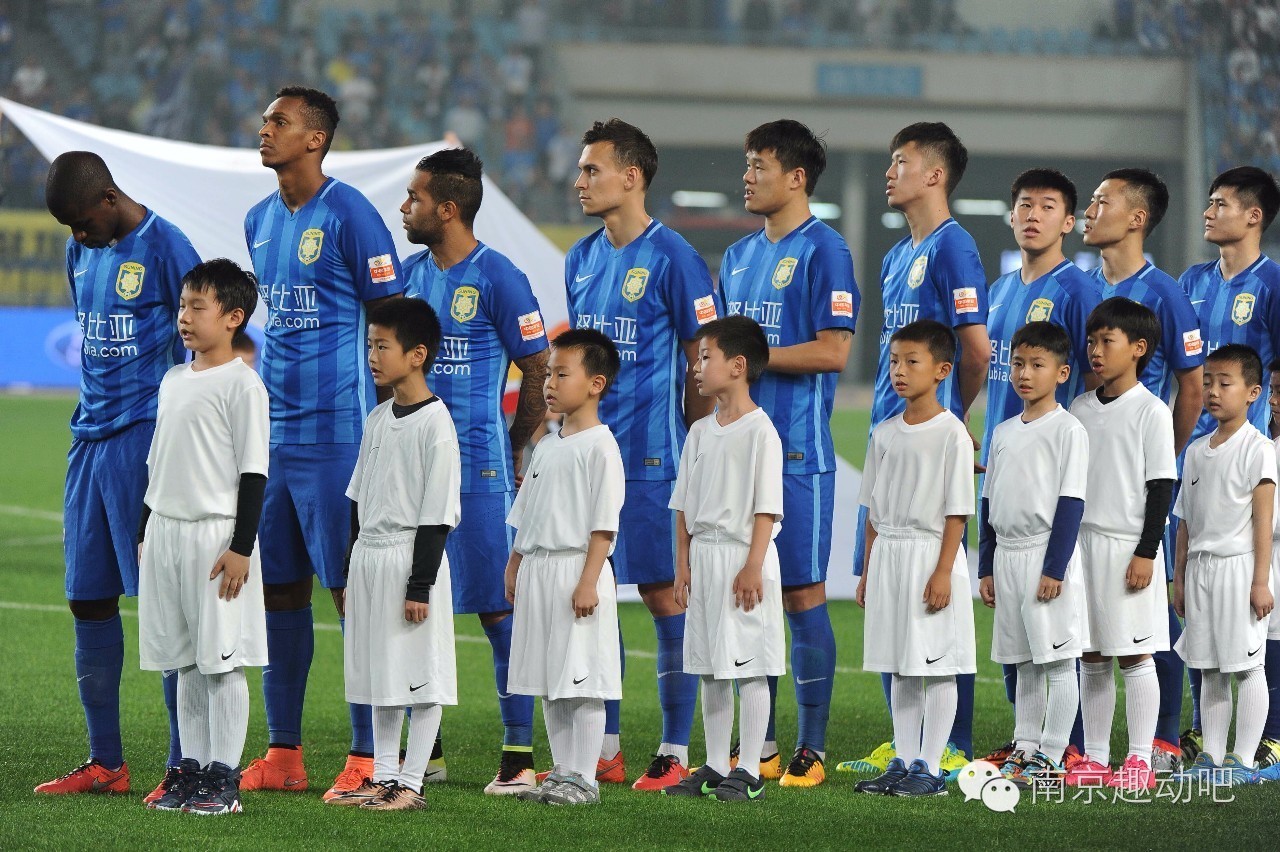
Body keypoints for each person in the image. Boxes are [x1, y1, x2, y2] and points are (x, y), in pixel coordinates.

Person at [241, 85, 405, 799]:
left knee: (353, 596)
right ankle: (285, 753)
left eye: (278, 121)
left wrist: (391, 426)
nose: (264, 129)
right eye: (266, 119)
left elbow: (393, 322)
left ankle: (370, 753)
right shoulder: (256, 220)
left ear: (315, 138)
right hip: (273, 442)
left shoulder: (352, 215)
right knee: (279, 593)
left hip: (338, 437)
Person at [36, 151, 200, 799]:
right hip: (88, 442)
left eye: (81, 223)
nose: (77, 238)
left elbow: (204, 347)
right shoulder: (82, 250)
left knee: (161, 604)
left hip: (145, 442)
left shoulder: (168, 246)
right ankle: (106, 763)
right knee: (88, 597)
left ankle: (183, 764)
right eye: (69, 229)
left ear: (108, 199)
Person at [565, 118, 719, 790]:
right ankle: (606, 747)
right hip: (589, 461)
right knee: (591, 596)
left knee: (663, 597)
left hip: (654, 460)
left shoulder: (675, 258)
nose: (579, 181)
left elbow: (704, 364)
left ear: (632, 176)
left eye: (592, 170)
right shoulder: (580, 258)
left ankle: (674, 749)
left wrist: (694, 449)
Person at [400, 147, 550, 795]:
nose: (405, 208)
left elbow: (539, 368)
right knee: (412, 608)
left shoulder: (499, 277)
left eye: (415, 199)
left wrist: (515, 447)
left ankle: (517, 755)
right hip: (413, 476)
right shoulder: (408, 276)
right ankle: (425, 751)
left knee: (498, 611)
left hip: (480, 473)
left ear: (449, 208)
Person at [845, 122, 988, 779]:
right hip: (887, 436)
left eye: (900, 161)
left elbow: (977, 349)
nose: (889, 171)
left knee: (935, 597)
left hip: (928, 444)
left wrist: (947, 419)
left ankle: (945, 747)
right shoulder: (897, 254)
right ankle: (904, 750)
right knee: (888, 593)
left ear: (935, 174)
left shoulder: (955, 247)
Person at [718, 120, 856, 787]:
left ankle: (814, 746)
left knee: (801, 594)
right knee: (745, 597)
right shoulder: (738, 256)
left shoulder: (826, 251)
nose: (747, 176)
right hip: (736, 456)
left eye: (759, 165)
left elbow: (835, 350)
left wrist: (755, 359)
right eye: (746, 164)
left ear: (797, 178)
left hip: (797, 455)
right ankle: (760, 743)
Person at [1082, 167, 1204, 772]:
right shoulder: (1083, 282)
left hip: (1141, 487)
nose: (1089, 210)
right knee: (1092, 637)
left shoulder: (1165, 291)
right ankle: (1087, 748)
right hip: (1091, 480)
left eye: (1102, 202)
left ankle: (1160, 738)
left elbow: (1192, 385)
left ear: (1136, 217)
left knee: (1146, 625)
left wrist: (1164, 455)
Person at [137, 259, 269, 815]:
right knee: (185, 660)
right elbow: (158, 464)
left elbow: (253, 472)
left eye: (199, 307)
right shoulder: (173, 380)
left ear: (233, 317)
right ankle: (191, 768)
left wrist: (241, 546)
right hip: (167, 533)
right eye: (183, 305)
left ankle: (225, 777)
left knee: (222, 660)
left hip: (216, 541)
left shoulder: (243, 385)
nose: (185, 317)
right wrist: (148, 529)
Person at [979, 168, 1098, 770]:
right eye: (1023, 204)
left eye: (1047, 206)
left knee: (1055, 642)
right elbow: (989, 367)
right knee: (1019, 644)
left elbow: (1092, 372)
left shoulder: (1078, 289)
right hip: (1006, 452)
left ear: (1068, 222)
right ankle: (1029, 743)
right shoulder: (999, 290)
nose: (1033, 215)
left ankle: (1065, 746)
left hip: (1051, 466)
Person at [326, 299, 459, 811]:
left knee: (421, 675)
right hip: (370, 559)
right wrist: (347, 570)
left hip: (409, 559)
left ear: (417, 354)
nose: (373, 357)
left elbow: (436, 513)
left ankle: (412, 784)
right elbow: (358, 498)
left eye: (383, 346)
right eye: (370, 346)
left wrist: (419, 584)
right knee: (381, 673)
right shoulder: (379, 418)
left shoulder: (435, 424)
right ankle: (383, 776)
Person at [1179, 166, 1280, 769]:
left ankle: (1262, 740)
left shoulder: (1272, 283)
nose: (1209, 212)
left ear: (1254, 216)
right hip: (1196, 457)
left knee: (1257, 610)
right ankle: (1205, 738)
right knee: (1203, 613)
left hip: (1251, 456)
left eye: (1221, 204)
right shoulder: (1192, 281)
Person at [663, 316, 785, 802]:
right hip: (705, 558)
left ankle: (750, 768)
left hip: (742, 560)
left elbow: (766, 507)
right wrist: (682, 563)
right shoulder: (699, 431)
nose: (696, 366)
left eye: (706, 357)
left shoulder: (761, 432)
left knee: (750, 664)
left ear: (738, 366)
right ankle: (715, 764)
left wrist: (754, 564)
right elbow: (683, 505)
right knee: (711, 665)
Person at [854, 319, 977, 797]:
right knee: (901, 664)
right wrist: (867, 571)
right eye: (893, 361)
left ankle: (930, 768)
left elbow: (957, 511)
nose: (899, 371)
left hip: (931, 556)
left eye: (912, 362)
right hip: (889, 555)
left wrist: (944, 570)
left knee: (937, 663)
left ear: (942, 370)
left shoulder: (952, 434)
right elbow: (871, 508)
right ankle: (903, 759)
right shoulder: (884, 434)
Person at [505, 329, 625, 806]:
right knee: (552, 679)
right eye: (547, 374)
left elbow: (603, 525)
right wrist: (515, 562)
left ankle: (585, 780)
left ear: (595, 383)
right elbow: (526, 512)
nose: (548, 383)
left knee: (584, 679)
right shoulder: (549, 444)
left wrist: (589, 581)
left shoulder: (600, 445)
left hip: (578, 570)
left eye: (561, 373)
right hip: (539, 569)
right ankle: (560, 772)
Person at [1065, 298, 1176, 792]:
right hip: (1082, 547)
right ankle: (1094, 756)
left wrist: (1146, 552)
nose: (1095, 350)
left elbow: (1161, 487)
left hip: (1128, 547)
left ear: (1138, 349)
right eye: (1092, 341)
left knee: (1134, 656)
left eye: (1106, 341)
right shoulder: (1079, 408)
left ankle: (1138, 760)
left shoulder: (1152, 411)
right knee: (1090, 654)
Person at [977, 322, 1090, 785]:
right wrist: (985, 565)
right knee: (1022, 660)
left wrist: (1055, 567)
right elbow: (987, 501)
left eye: (1037, 365)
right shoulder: (1003, 432)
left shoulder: (1068, 430)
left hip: (1046, 554)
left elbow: (1071, 502)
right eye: (1018, 364)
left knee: (1058, 661)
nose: (1025, 374)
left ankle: (1053, 751)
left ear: (1061, 373)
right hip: (1007, 556)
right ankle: (1024, 746)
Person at [1173, 344, 1275, 785]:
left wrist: (1260, 581)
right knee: (1210, 667)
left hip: (1239, 568)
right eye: (1208, 382)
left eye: (1224, 384)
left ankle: (1245, 760)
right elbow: (1185, 522)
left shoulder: (1259, 449)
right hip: (1200, 572)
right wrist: (1179, 578)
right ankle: (1210, 758)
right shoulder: (1196, 451)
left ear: (1253, 392)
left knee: (1248, 667)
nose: (1213, 391)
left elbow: (1263, 521)